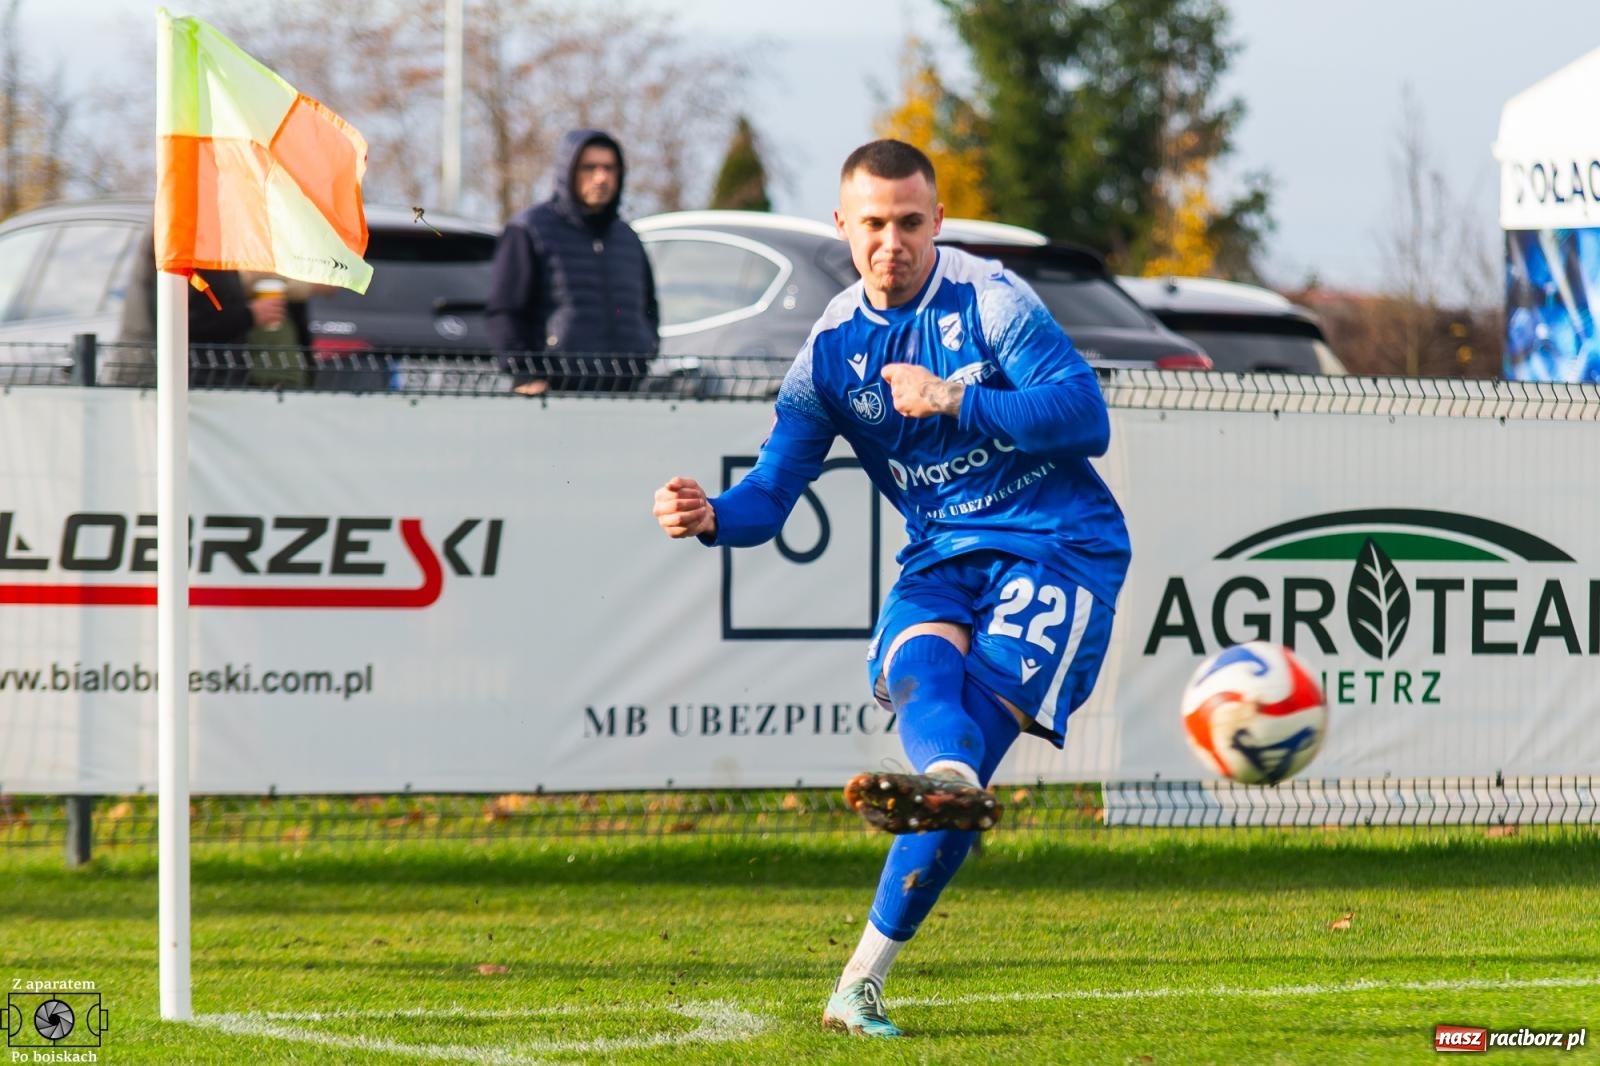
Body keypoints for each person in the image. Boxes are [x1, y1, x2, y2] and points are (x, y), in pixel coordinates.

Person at [651, 139, 1130, 1038]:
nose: (891, 242)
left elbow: (1084, 418)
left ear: (937, 221)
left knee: (966, 757)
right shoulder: (829, 352)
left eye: (910, 223)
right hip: (942, 551)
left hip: (1057, 547)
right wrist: (712, 514)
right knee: (918, 676)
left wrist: (956, 401)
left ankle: (862, 975)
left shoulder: (991, 300)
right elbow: (771, 493)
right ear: (843, 226)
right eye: (873, 224)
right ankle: (941, 784)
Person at [486, 128, 659, 394]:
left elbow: (648, 308)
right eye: (589, 168)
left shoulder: (628, 238)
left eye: (609, 168)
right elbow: (504, 311)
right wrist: (524, 373)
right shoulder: (529, 230)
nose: (601, 178)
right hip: (552, 396)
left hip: (625, 395)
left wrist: (645, 352)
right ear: (567, 172)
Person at [109, 228, 288, 388]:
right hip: (184, 379)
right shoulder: (184, 242)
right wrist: (249, 315)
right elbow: (183, 318)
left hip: (201, 376)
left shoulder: (199, 240)